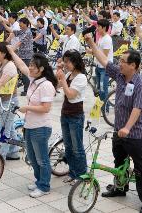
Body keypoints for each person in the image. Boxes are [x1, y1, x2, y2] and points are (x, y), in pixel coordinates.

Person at [84, 33, 142, 213]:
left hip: (135, 133)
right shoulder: (120, 75)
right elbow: (104, 60)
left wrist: (127, 128)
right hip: (119, 130)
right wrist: (92, 43)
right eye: (120, 60)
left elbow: (138, 109)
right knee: (119, 161)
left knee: (141, 167)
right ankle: (120, 188)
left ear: (133, 65)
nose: (119, 63)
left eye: (123, 61)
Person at [7, 46, 57, 198]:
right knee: (32, 158)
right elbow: (21, 65)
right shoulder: (34, 80)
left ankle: (44, 186)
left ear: (40, 69)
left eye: (32, 66)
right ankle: (39, 180)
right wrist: (12, 53)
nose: (29, 68)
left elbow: (46, 108)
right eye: (30, 65)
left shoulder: (46, 85)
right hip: (29, 126)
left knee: (42, 159)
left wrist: (26, 107)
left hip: (41, 127)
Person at [56, 50, 88, 185]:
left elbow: (70, 95)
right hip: (65, 113)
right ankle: (72, 172)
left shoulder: (81, 77)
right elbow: (57, 85)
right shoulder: (68, 74)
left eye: (68, 61)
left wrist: (62, 79)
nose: (66, 64)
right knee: (68, 147)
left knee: (77, 147)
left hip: (76, 115)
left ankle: (81, 175)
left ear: (75, 62)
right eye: (65, 61)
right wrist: (59, 73)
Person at [86, 19, 113, 104]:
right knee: (99, 89)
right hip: (98, 66)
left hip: (105, 68)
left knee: (103, 89)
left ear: (104, 28)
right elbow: (96, 49)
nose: (97, 29)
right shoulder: (101, 37)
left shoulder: (107, 39)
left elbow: (103, 55)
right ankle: (101, 106)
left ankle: (105, 108)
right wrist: (89, 49)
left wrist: (92, 50)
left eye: (99, 27)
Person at [5, 17, 34, 96]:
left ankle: (27, 90)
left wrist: (11, 50)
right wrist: (4, 24)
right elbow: (13, 31)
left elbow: (19, 43)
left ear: (25, 24)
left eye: (21, 24)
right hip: (21, 54)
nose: (20, 26)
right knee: (20, 71)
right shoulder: (22, 31)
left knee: (25, 73)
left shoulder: (28, 32)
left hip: (27, 55)